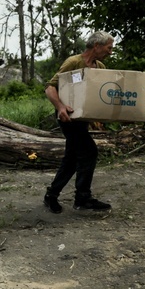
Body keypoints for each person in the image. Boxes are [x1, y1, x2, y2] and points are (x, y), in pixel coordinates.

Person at [43, 31, 114, 214]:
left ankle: (52, 195)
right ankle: (82, 198)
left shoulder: (100, 67)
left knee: (73, 157)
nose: (110, 52)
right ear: (96, 46)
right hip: (68, 117)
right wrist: (60, 107)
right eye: (108, 48)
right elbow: (50, 88)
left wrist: (99, 118)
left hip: (82, 119)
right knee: (88, 151)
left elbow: (98, 96)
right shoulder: (74, 62)